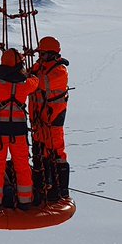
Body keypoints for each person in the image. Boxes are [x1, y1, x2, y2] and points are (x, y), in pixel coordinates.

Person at [0, 49, 39, 211]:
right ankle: (25, 201)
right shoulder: (25, 84)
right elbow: (36, 82)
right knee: (22, 166)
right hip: (18, 132)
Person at [30, 36, 71, 202]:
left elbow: (40, 83)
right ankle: (41, 186)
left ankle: (60, 190)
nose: (40, 56)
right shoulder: (41, 66)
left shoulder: (59, 71)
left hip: (53, 121)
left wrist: (26, 77)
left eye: (43, 54)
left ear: (52, 54)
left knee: (56, 154)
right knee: (39, 153)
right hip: (39, 122)